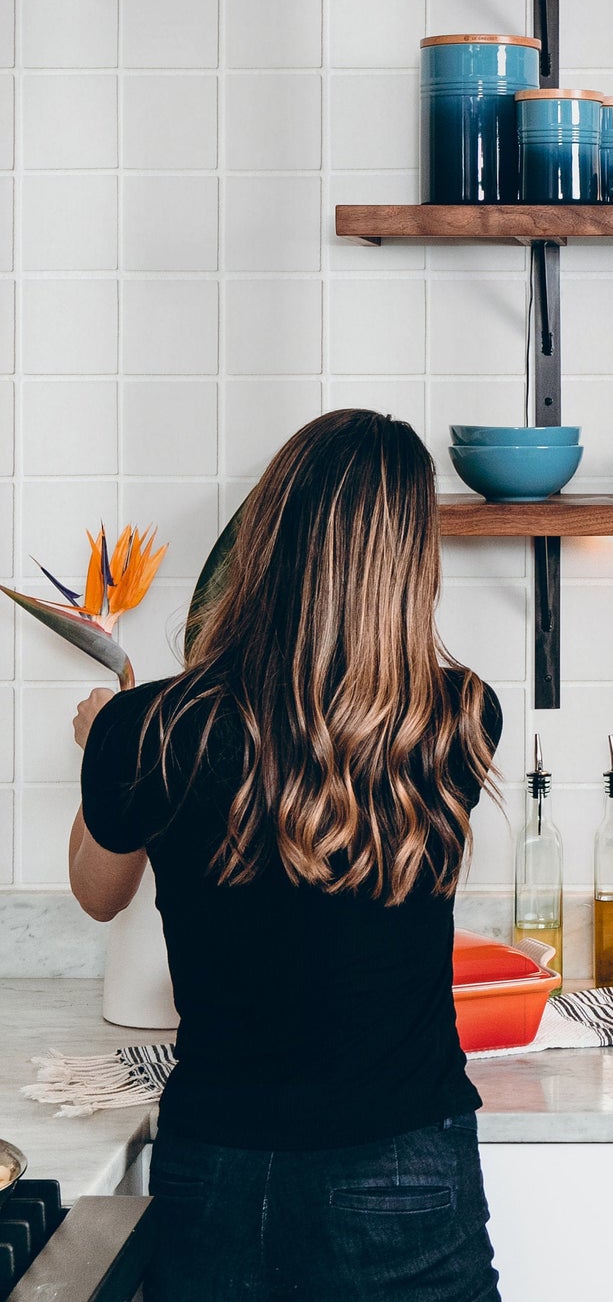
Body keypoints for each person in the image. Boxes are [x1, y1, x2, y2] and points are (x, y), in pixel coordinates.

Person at [70, 409, 504, 1301]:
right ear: (411, 565)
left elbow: (97, 893)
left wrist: (103, 752)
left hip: (218, 1163)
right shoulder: (459, 718)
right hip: (403, 1162)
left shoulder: (150, 727)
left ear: (263, 537)